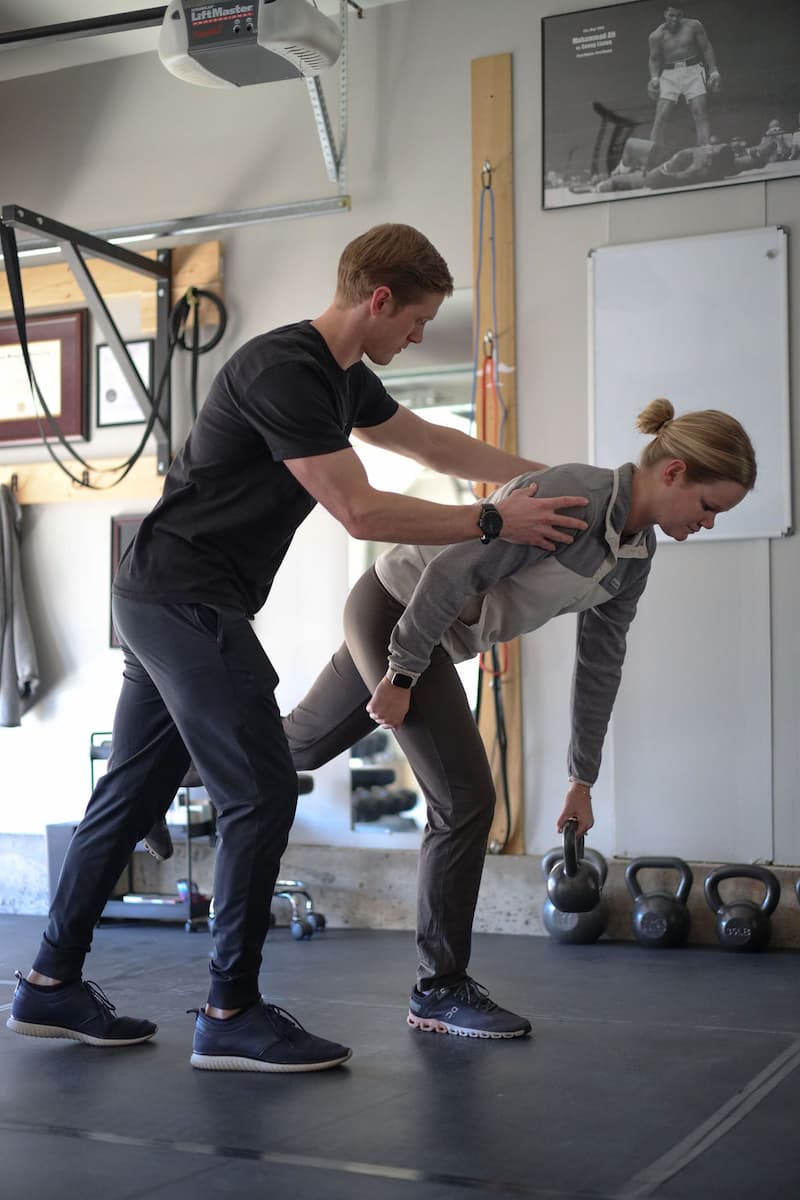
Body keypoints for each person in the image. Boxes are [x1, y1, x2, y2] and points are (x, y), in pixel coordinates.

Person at [6, 223, 591, 1074]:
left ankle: (50, 982)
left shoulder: (343, 380)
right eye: (417, 321)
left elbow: (434, 445)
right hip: (184, 599)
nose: (418, 337)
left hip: (162, 593)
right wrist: (494, 518)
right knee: (265, 790)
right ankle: (230, 1011)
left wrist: (549, 479)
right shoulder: (286, 371)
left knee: (131, 794)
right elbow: (360, 512)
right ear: (379, 300)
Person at [284, 399, 756, 1040]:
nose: (706, 523)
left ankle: (167, 769)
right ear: (673, 473)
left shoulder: (635, 554)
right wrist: (400, 674)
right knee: (466, 797)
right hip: (398, 609)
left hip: (430, 641)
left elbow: (599, 665)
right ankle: (439, 987)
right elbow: (452, 571)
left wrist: (580, 779)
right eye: (709, 507)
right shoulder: (572, 498)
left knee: (297, 748)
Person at [647, 5, 721, 148]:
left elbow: (706, 48)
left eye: (678, 16)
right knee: (661, 115)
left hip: (693, 70)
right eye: (671, 15)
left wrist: (714, 70)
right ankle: (650, 154)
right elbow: (654, 59)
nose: (675, 19)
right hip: (669, 74)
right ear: (665, 14)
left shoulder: (694, 26)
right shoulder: (656, 36)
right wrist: (654, 78)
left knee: (700, 111)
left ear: (682, 14)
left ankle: (705, 150)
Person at [594, 139, 736, 192]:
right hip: (667, 160)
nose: (710, 146)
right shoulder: (718, 169)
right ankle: (619, 173)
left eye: (713, 148)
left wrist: (684, 160)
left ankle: (619, 173)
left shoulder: (698, 167)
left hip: (662, 165)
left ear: (710, 161)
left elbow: (654, 179)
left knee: (630, 145)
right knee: (605, 184)